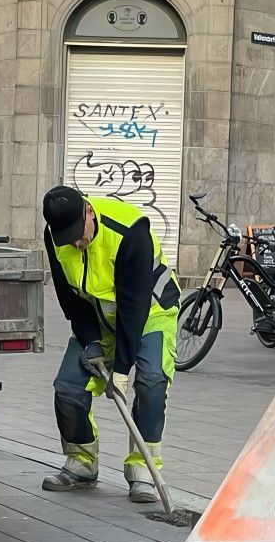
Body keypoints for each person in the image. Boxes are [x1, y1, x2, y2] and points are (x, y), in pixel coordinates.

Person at [41, 186, 180, 503]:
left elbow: (135, 306)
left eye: (80, 233)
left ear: (89, 212)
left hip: (150, 314)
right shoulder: (56, 236)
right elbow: (70, 298)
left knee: (151, 382)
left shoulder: (131, 229)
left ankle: (143, 471)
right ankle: (82, 462)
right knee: (68, 387)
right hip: (98, 317)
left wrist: (121, 369)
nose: (76, 242)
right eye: (68, 238)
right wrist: (89, 341)